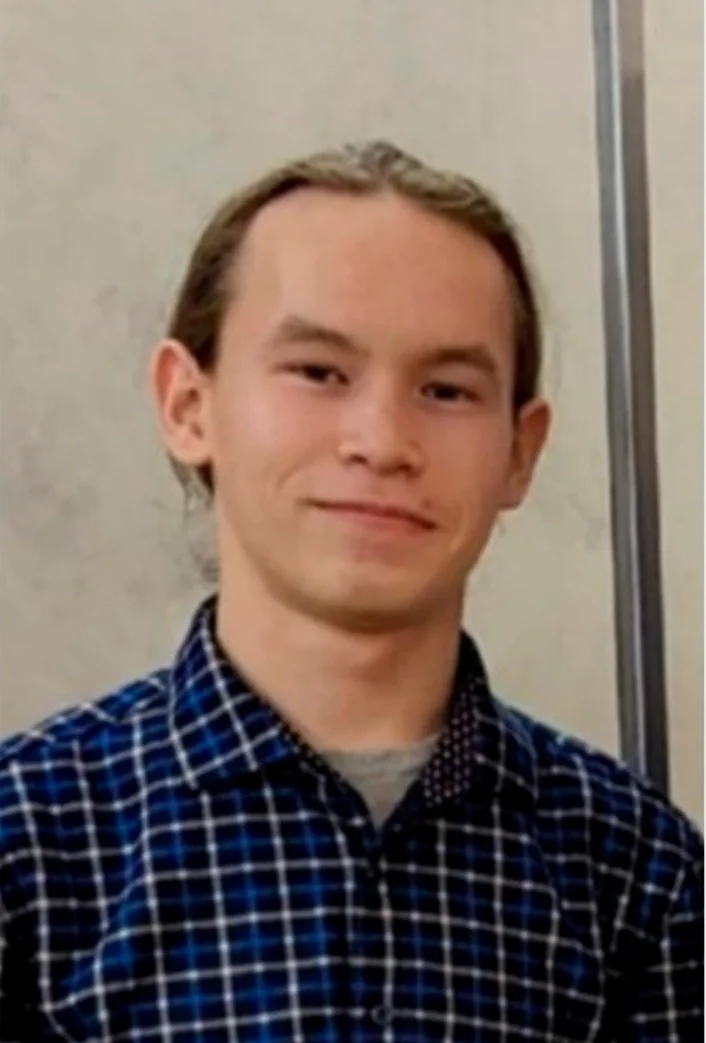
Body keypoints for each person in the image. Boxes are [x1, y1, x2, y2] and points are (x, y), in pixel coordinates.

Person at [0, 141, 701, 1042]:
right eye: (318, 372)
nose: (381, 440)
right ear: (187, 404)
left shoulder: (639, 873)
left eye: (446, 389)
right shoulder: (28, 846)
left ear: (519, 451)